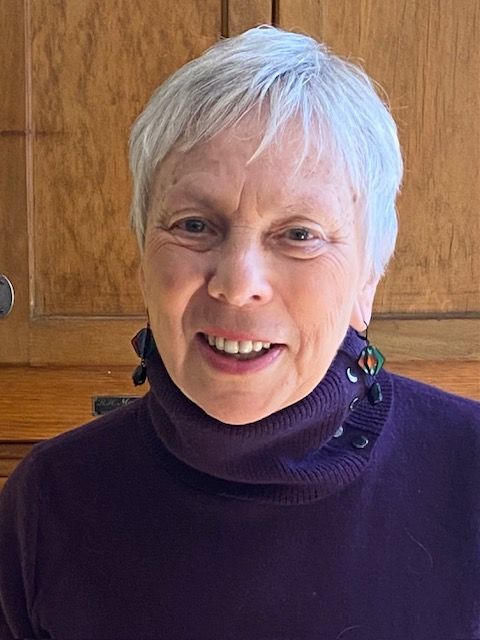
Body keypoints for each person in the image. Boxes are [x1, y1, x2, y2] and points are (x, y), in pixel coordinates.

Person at [0, 25, 479, 640]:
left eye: (299, 233)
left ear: (368, 277)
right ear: (143, 253)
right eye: (195, 224)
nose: (237, 282)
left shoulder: (467, 475)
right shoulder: (49, 502)